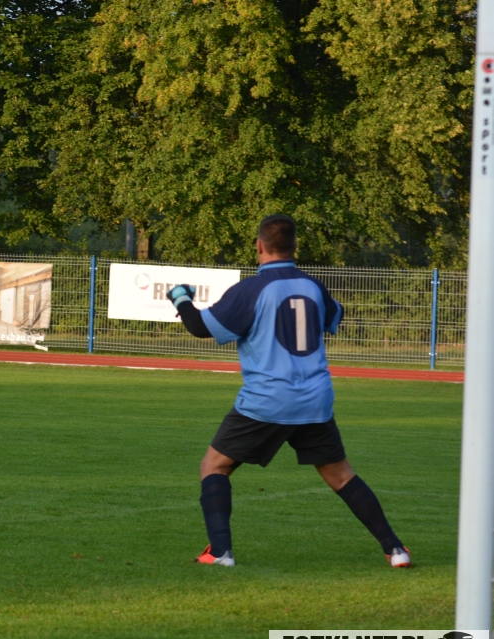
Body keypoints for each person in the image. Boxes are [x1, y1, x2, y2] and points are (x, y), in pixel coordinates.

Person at [166, 214, 411, 568]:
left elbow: (199, 327)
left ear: (259, 246)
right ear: (295, 246)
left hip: (268, 399)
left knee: (214, 465)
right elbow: (335, 316)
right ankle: (396, 550)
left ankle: (220, 552)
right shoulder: (313, 286)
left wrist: (180, 298)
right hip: (315, 398)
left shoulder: (251, 289)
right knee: (341, 475)